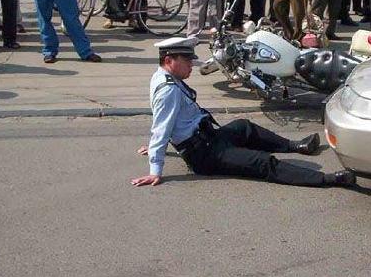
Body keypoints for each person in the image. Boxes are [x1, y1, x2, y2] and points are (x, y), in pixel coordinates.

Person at [130, 37, 356, 188]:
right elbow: (162, 125)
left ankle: (295, 146)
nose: (191, 65)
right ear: (169, 60)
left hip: (209, 137)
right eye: (187, 60)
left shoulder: (164, 77)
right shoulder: (167, 90)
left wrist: (156, 144)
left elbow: (167, 121)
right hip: (204, 155)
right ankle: (326, 179)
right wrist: (155, 168)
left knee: (243, 127)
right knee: (262, 162)